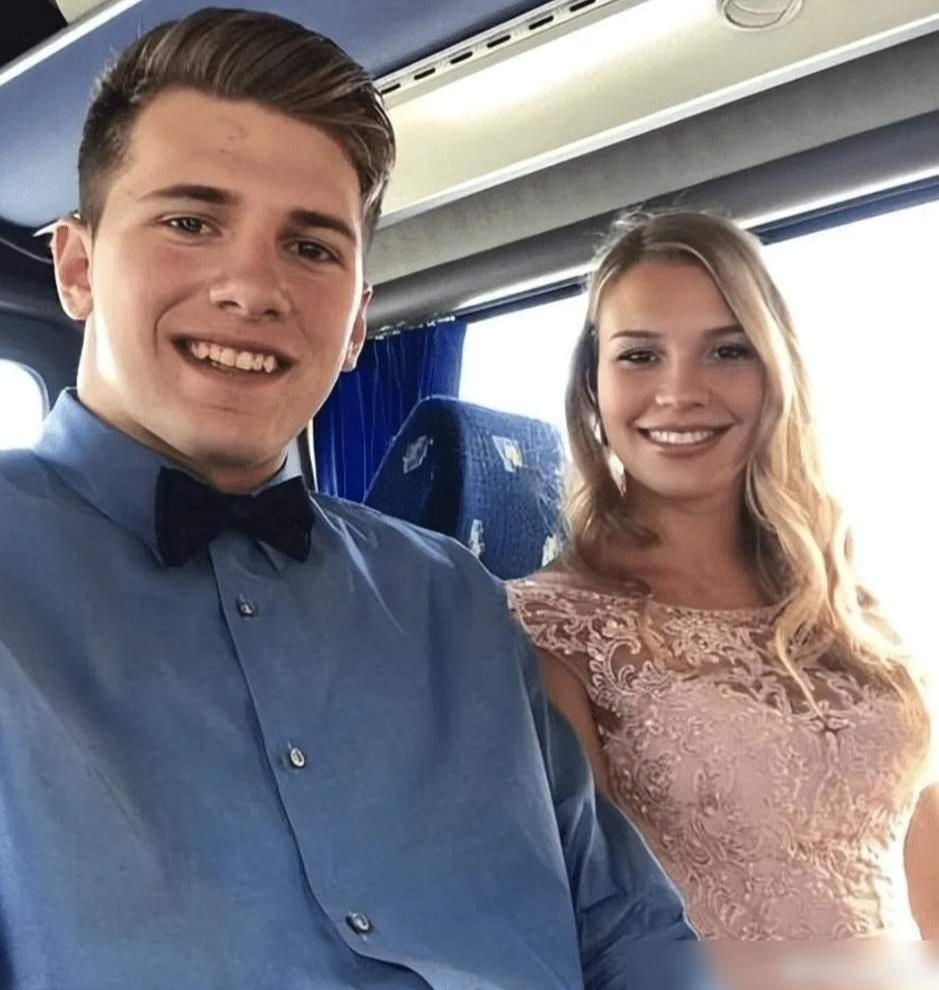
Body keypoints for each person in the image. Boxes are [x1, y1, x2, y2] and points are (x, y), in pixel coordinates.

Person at [0, 12, 712, 990]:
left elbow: (630, 931)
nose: (252, 287)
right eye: (190, 223)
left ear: (354, 325)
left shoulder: (456, 598)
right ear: (78, 268)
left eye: (311, 247)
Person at [508, 210, 939, 941]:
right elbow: (582, 931)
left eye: (727, 351)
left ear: (776, 374)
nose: (680, 391)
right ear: (592, 387)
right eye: (640, 356)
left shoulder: (845, 605)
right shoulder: (545, 630)